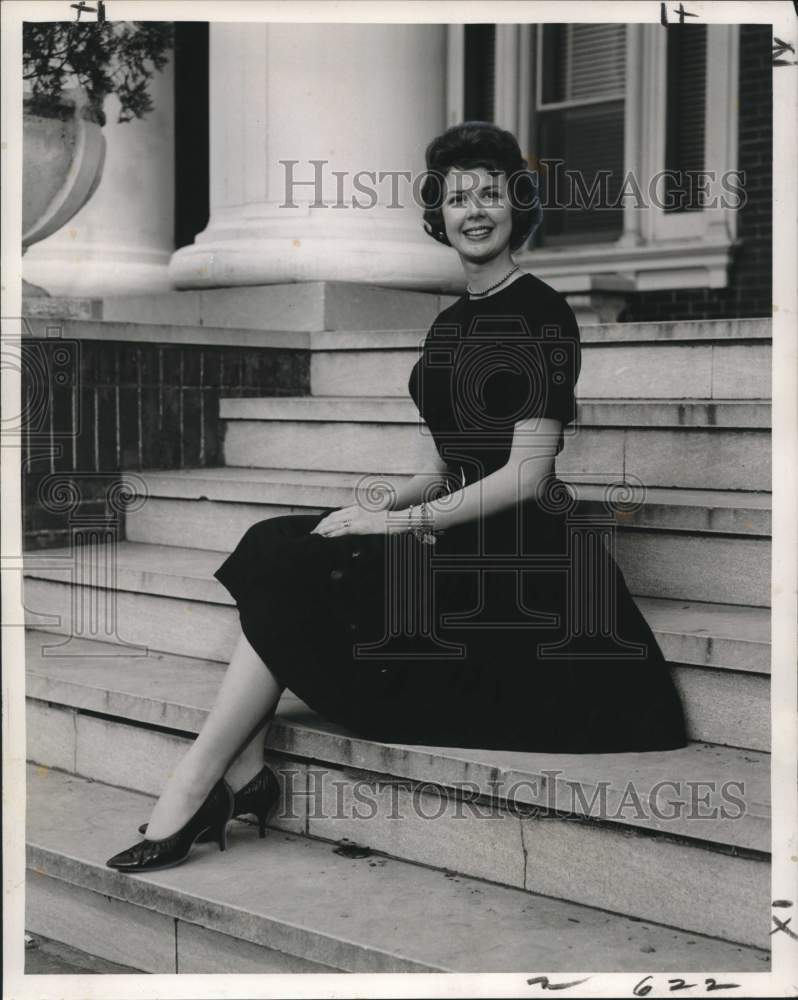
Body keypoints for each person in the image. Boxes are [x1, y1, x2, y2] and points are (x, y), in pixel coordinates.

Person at [107, 122, 687, 874]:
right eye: (456, 198)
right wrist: (369, 512)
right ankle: (243, 774)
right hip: (452, 523)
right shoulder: (449, 326)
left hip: (520, 558)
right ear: (437, 215)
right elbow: (447, 459)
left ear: (516, 205)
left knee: (299, 565)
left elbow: (525, 475)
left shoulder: (543, 313)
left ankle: (198, 782)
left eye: (489, 193)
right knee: (282, 540)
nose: (473, 210)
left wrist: (401, 521)